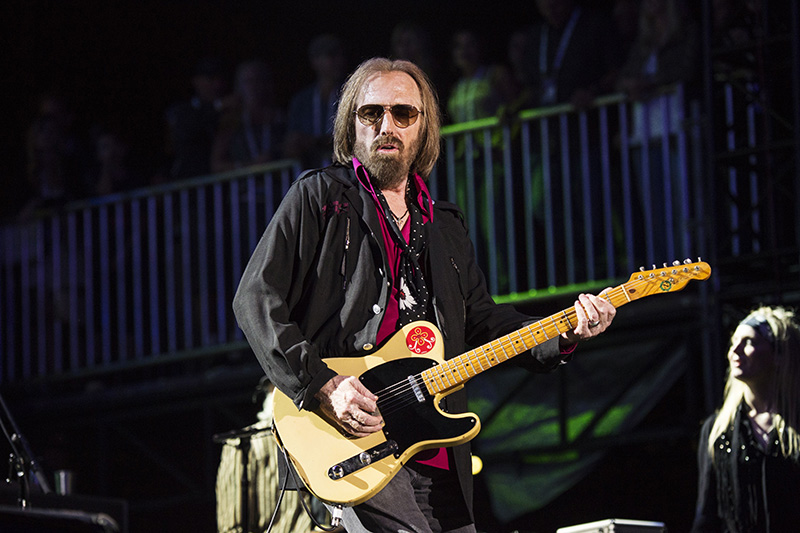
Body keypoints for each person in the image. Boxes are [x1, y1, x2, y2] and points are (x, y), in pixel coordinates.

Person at [232, 57, 616, 533]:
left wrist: (565, 331)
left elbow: (483, 323)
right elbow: (255, 297)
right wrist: (321, 384)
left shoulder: (446, 225)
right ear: (351, 124)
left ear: (424, 128)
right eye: (371, 114)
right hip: (354, 432)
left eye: (402, 113)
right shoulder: (321, 198)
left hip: (436, 443)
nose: (386, 126)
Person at [691, 305, 800, 532]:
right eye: (733, 342)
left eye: (748, 342)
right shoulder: (718, 430)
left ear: (778, 354)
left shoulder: (796, 423)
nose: (734, 351)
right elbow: (706, 515)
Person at [211, 59, 286, 173]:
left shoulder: (280, 118)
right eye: (248, 81)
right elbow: (217, 164)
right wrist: (250, 165)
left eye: (258, 80)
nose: (253, 87)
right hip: (245, 187)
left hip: (278, 185)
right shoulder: (231, 121)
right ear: (239, 86)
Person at [284, 34, 347, 169]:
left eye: (340, 55)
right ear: (315, 61)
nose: (338, 61)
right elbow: (292, 143)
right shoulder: (302, 100)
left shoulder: (350, 94)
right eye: (331, 56)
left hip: (345, 174)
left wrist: (314, 142)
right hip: (311, 173)